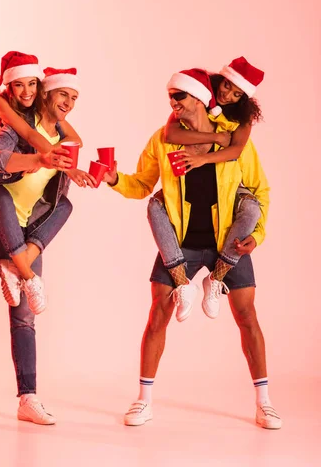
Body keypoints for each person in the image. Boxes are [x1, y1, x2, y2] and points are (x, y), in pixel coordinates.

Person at [104, 68, 281, 430]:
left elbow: (259, 192)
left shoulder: (234, 142)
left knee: (247, 317)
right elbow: (141, 185)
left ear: (199, 98)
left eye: (179, 96)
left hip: (226, 240)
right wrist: (112, 179)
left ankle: (264, 403)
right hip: (181, 241)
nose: (173, 103)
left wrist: (257, 235)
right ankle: (144, 400)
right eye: (170, 96)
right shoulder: (163, 139)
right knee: (159, 313)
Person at [0, 63, 94, 429]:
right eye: (63, 94)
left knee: (25, 322)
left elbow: (62, 166)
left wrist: (76, 171)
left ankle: (27, 399)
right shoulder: (16, 126)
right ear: (46, 94)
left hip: (23, 233)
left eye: (74, 97)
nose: (69, 102)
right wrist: (39, 157)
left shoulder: (64, 139)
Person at [149, 57, 265, 319]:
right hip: (188, 214)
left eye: (237, 94)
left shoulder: (241, 118)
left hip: (228, 193)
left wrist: (202, 157)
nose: (228, 95)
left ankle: (217, 277)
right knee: (156, 204)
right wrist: (214, 137)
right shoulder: (195, 96)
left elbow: (235, 151)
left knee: (250, 208)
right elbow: (171, 134)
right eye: (226, 86)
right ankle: (182, 283)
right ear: (219, 79)